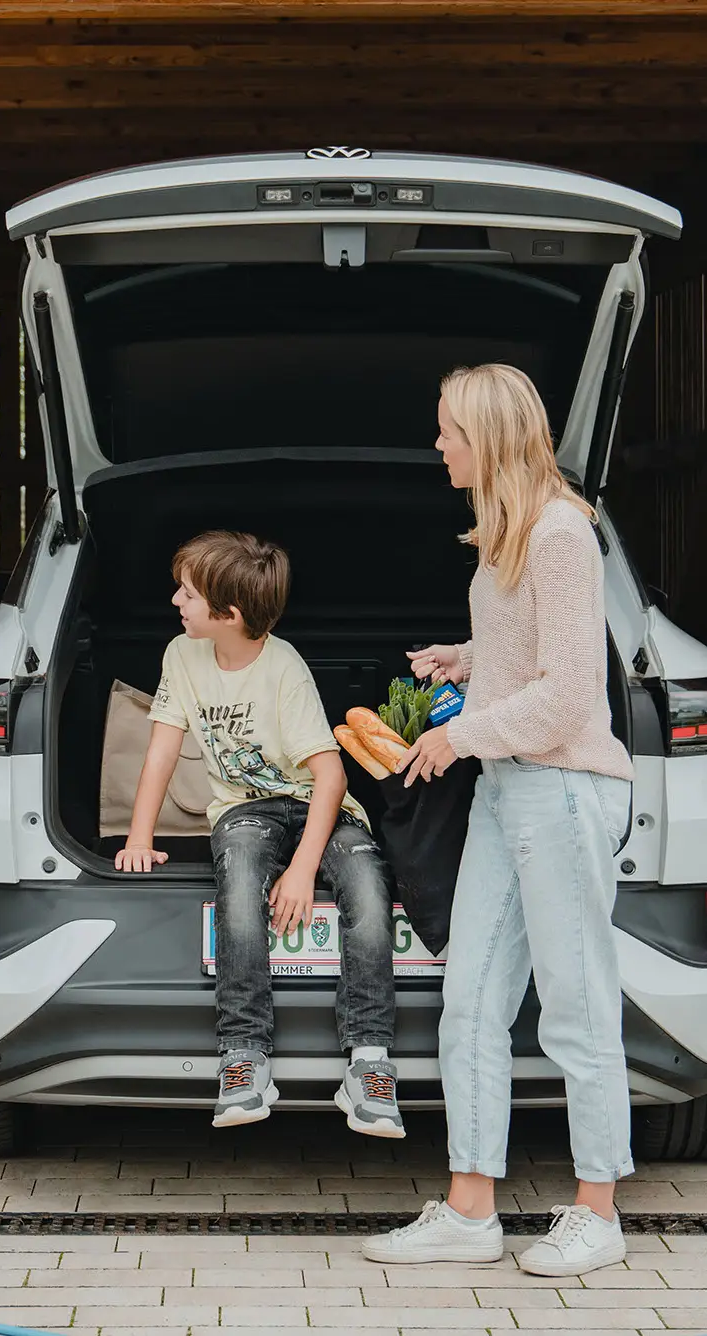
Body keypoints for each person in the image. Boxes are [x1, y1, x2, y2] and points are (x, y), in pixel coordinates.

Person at [364, 364, 635, 1276]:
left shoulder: (561, 534)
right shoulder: (505, 537)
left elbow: (566, 693)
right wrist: (467, 657)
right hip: (507, 790)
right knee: (471, 998)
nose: (438, 445)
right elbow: (529, 650)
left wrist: (460, 735)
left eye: (449, 430)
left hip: (560, 789)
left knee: (574, 1004)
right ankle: (471, 1208)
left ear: (490, 436)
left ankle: (598, 1210)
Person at [116, 531, 403, 1136]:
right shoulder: (182, 655)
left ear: (230, 615)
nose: (175, 601)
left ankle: (369, 1064)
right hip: (246, 809)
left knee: (369, 893)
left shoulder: (284, 669)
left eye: (187, 594)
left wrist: (302, 870)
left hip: (319, 805)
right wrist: (138, 836)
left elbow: (329, 776)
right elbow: (162, 750)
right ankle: (244, 1056)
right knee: (240, 886)